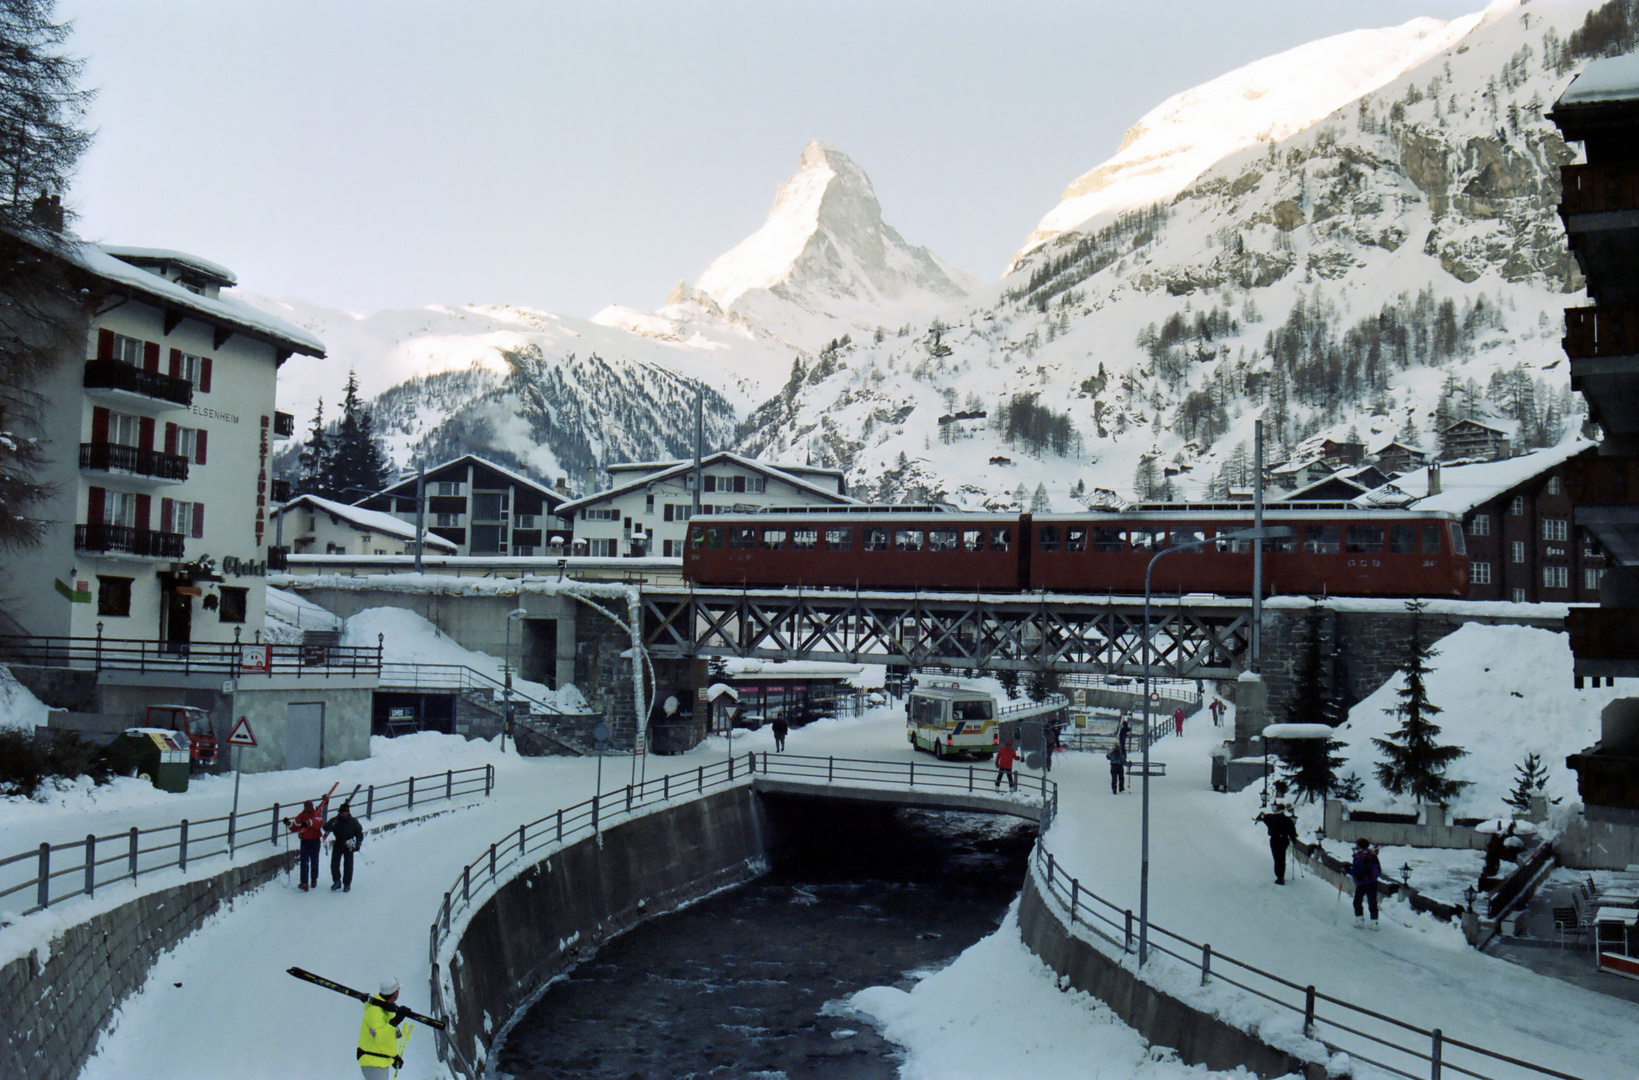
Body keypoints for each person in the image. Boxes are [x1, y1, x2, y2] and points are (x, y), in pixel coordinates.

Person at [357, 976, 410, 1079]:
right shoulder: (375, 1012)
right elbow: (378, 1037)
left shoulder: (385, 1010)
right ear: (395, 993)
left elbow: (387, 1037)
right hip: (373, 1064)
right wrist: (395, 1021)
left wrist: (392, 1057)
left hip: (378, 1063)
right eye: (398, 990)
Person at [284, 799, 325, 892]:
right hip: (305, 841)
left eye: (309, 808)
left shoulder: (316, 815)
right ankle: (304, 883)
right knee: (304, 862)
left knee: (314, 860)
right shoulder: (301, 816)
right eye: (307, 808)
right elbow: (294, 826)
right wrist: (288, 824)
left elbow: (318, 824)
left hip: (315, 840)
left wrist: (310, 823)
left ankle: (313, 880)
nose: (308, 810)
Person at [325, 801, 365, 892]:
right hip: (338, 843)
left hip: (348, 844)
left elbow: (359, 833)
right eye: (340, 812)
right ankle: (337, 881)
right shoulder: (336, 820)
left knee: (348, 865)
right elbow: (325, 827)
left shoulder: (353, 822)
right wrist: (331, 825)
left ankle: (347, 883)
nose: (342, 814)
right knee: (334, 864)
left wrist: (358, 843)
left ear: (347, 812)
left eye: (343, 812)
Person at [1254, 803, 1298, 884]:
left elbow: (1263, 817)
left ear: (1277, 810)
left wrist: (1260, 817)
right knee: (1282, 858)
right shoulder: (1288, 820)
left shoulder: (1271, 818)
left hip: (1275, 840)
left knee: (1277, 859)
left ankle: (1279, 877)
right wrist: (1293, 840)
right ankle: (1281, 876)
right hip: (1284, 841)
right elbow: (1292, 831)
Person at [1350, 837, 1382, 928]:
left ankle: (1359, 919)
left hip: (1362, 882)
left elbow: (1357, 871)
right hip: (1373, 882)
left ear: (1359, 846)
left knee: (1357, 901)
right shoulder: (1373, 855)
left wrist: (1347, 869)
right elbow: (1378, 869)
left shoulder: (1359, 856)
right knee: (1372, 901)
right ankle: (1374, 922)